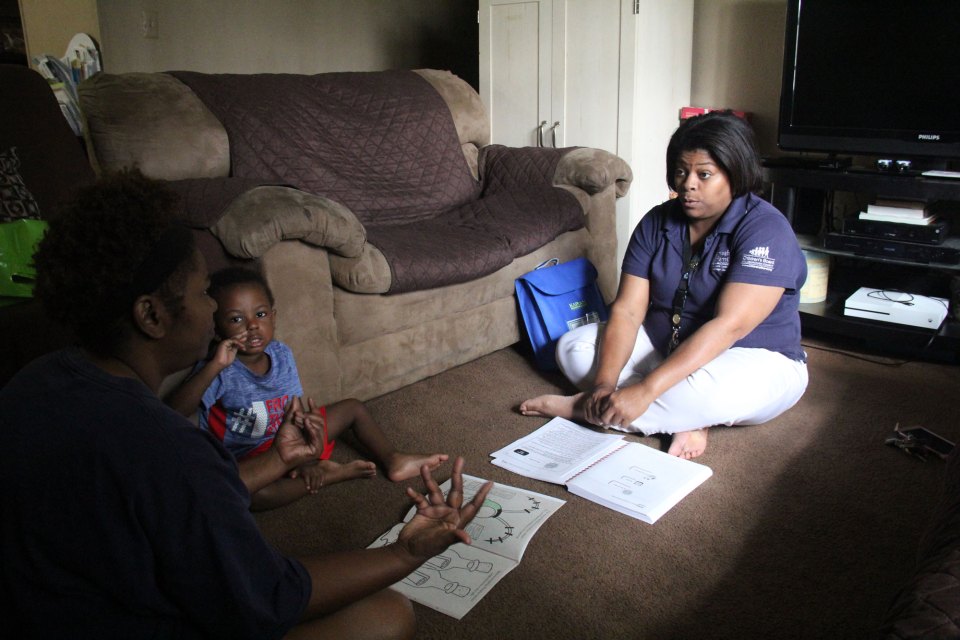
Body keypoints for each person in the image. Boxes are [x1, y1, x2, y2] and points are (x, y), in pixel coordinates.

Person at [0, 171, 492, 639]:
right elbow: (268, 600)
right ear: (151, 315)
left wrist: (280, 459)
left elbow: (176, 499)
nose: (214, 309)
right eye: (200, 294)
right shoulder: (171, 450)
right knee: (387, 616)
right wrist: (405, 553)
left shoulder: (34, 380)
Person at [520, 111, 809, 459]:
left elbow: (729, 326)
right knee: (571, 349)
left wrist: (646, 388)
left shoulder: (766, 230)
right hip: (669, 344)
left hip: (755, 358)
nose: (688, 184)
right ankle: (684, 419)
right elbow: (627, 311)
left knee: (705, 394)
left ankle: (581, 409)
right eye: (681, 172)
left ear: (735, 174)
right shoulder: (657, 222)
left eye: (704, 174)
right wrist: (604, 383)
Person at [165, 266, 449, 511]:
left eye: (261, 314)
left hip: (287, 438)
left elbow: (292, 404)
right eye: (237, 319)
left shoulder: (281, 354)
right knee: (251, 495)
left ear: (274, 316)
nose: (252, 326)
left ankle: (393, 459)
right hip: (248, 458)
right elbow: (171, 413)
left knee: (352, 407)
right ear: (217, 328)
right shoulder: (221, 367)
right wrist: (214, 366)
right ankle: (329, 476)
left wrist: (307, 433)